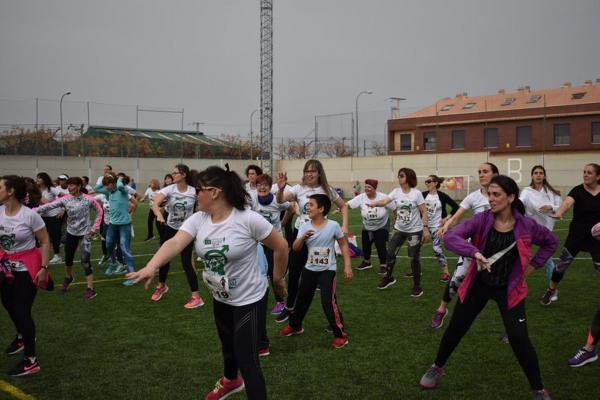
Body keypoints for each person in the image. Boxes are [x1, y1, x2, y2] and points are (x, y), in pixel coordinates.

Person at [128, 165, 288, 400]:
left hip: (249, 298)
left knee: (247, 358)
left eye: (199, 189)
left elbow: (281, 246)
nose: (195, 194)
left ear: (215, 192)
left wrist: (277, 278)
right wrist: (152, 266)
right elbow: (174, 243)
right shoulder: (198, 219)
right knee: (227, 344)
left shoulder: (248, 219)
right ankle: (231, 381)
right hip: (220, 296)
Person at [419, 175, 558, 400]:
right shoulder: (482, 219)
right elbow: (451, 236)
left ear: (511, 197)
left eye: (496, 195)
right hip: (479, 285)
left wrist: (531, 269)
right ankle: (437, 367)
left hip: (509, 289)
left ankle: (538, 388)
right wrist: (473, 251)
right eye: (490, 194)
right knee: (456, 327)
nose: (491, 199)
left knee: (519, 338)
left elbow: (551, 242)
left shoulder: (527, 225)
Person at [274, 159, 349, 323]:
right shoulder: (298, 189)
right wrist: (280, 190)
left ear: (319, 173)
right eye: (307, 171)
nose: (309, 174)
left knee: (325, 278)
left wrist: (344, 225)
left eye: (313, 171)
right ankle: (289, 308)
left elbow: (343, 206)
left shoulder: (327, 190)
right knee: (293, 274)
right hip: (300, 236)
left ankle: (336, 318)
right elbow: (280, 201)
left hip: (320, 238)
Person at [279, 194, 353, 348]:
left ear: (321, 209)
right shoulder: (305, 226)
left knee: (328, 301)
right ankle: (295, 326)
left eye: (311, 205)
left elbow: (344, 245)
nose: (308, 207)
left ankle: (340, 335)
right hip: (309, 269)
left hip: (328, 270)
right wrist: (303, 237)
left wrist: (347, 265)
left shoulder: (333, 225)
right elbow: (296, 248)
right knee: (302, 300)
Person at [430, 162, 499, 329]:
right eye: (479, 172)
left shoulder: (503, 195)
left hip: (498, 248)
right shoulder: (473, 197)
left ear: (495, 174)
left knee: (505, 286)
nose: (481, 174)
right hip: (473, 248)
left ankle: (511, 327)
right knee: (457, 278)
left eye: (485, 172)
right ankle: (442, 309)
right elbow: (457, 215)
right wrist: (447, 225)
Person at [0, 175, 49, 376]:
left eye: (0, 187)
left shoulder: (30, 216)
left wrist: (44, 268)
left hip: (26, 269)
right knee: (7, 303)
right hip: (5, 268)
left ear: (11, 191)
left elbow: (45, 242)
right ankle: (22, 337)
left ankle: (31, 360)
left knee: (21, 310)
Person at [540, 163, 600, 306]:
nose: (585, 174)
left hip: (597, 238)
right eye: (584, 172)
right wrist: (559, 212)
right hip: (576, 236)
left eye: (589, 173)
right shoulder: (578, 190)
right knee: (561, 266)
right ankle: (551, 289)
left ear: (598, 176)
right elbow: (567, 203)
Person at [35, 177, 102, 298]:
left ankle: (90, 289)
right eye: (68, 185)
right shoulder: (65, 199)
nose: (69, 188)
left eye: (72, 185)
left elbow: (99, 211)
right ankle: (68, 277)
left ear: (79, 186)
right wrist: (32, 211)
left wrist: (94, 228)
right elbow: (48, 206)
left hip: (85, 234)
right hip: (71, 233)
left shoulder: (89, 199)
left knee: (85, 261)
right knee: (68, 258)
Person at [371, 168, 431, 297]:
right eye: (398, 176)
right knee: (390, 254)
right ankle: (389, 277)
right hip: (399, 229)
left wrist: (425, 228)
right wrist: (375, 203)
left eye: (402, 176)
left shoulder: (416, 194)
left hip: (415, 231)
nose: (399, 178)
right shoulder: (396, 192)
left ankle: (417, 286)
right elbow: (385, 201)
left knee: (414, 259)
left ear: (408, 178)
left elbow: (424, 211)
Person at [150, 164, 203, 308]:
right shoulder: (169, 189)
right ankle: (162, 286)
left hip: (187, 231)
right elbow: (154, 204)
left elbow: (203, 206)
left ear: (184, 174)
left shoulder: (193, 192)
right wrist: (159, 214)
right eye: (173, 173)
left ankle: (196, 297)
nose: (173, 175)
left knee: (186, 263)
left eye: (176, 173)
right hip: (171, 228)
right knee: (164, 258)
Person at [250, 173, 293, 315]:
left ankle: (281, 302)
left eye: (265, 185)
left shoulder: (277, 201)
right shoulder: (252, 199)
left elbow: (291, 208)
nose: (262, 187)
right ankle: (257, 300)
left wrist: (283, 223)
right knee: (259, 273)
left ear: (270, 187)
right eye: (259, 185)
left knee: (275, 276)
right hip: (259, 243)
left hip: (275, 244)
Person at [519, 165, 562, 286]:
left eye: (541, 173)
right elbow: (520, 203)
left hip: (546, 231)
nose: (538, 175)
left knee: (547, 260)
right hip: (529, 230)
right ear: (532, 176)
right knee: (523, 256)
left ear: (544, 176)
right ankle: (520, 280)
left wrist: (551, 207)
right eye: (536, 173)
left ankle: (552, 288)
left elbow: (561, 207)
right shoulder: (527, 191)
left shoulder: (551, 192)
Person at [94, 174, 136, 286]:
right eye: (105, 185)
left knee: (125, 249)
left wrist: (119, 179)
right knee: (109, 245)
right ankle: (113, 264)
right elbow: (96, 188)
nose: (106, 187)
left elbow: (121, 187)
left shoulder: (123, 191)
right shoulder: (109, 193)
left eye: (108, 184)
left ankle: (132, 276)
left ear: (114, 183)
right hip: (113, 224)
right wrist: (105, 177)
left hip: (124, 225)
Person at [347, 179, 394, 272]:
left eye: (369, 187)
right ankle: (367, 262)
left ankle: (383, 265)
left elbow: (395, 207)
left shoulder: (383, 197)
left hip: (382, 225)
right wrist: (340, 208)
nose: (366, 189)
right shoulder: (361, 197)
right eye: (365, 187)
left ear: (374, 188)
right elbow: (349, 204)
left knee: (380, 244)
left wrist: (395, 219)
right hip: (367, 226)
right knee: (366, 244)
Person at [422, 175, 459, 282]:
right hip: (423, 226)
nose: (427, 183)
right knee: (415, 248)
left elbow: (455, 207)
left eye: (429, 181)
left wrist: (446, 218)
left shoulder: (442, 196)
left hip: (436, 227)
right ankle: (415, 269)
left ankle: (446, 272)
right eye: (426, 181)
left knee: (436, 249)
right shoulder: (422, 195)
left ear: (435, 183)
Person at [36, 172, 63, 264]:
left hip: (53, 215)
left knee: (54, 235)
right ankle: (42, 255)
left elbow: (64, 197)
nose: (37, 180)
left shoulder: (51, 189)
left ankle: (57, 256)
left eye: (39, 178)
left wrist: (62, 208)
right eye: (37, 178)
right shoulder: (36, 190)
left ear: (44, 179)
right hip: (42, 216)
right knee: (42, 237)